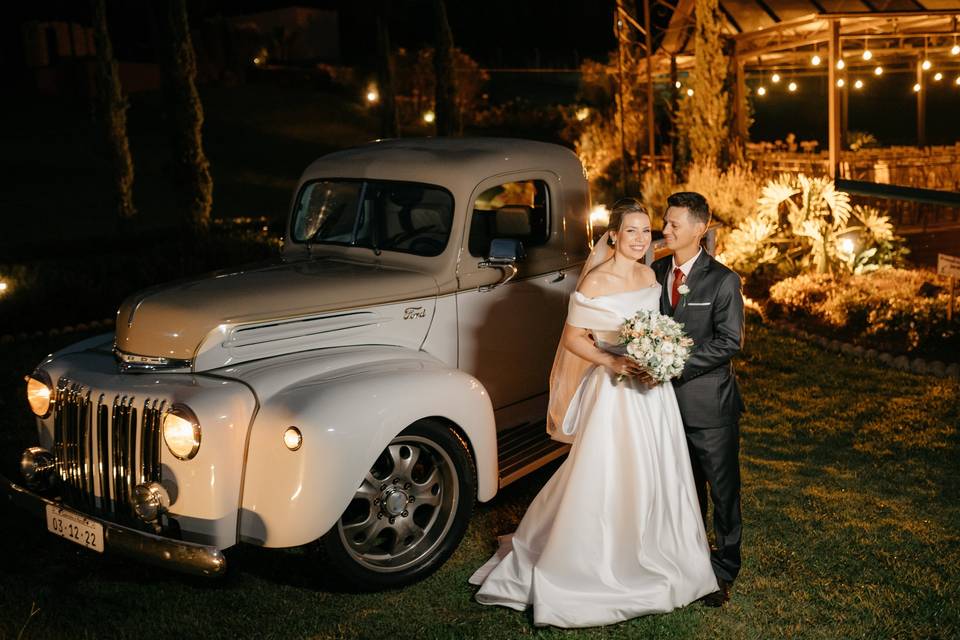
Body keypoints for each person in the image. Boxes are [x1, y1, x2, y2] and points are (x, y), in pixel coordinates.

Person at [468, 198, 718, 628]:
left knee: (657, 468)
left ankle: (659, 549)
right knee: (609, 471)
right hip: (616, 390)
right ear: (613, 236)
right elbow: (574, 340)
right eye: (631, 231)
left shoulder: (649, 276)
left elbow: (654, 329)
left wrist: (660, 357)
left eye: (646, 231)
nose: (640, 239)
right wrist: (615, 362)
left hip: (652, 394)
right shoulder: (597, 281)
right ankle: (595, 558)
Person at [651, 191, 745, 607]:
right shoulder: (653, 273)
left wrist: (674, 363)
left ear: (698, 228)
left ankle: (725, 567)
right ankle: (688, 559)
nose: (665, 230)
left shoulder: (723, 280)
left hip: (710, 408)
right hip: (661, 407)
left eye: (673, 224)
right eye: (665, 222)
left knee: (723, 492)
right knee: (683, 490)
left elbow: (729, 341)